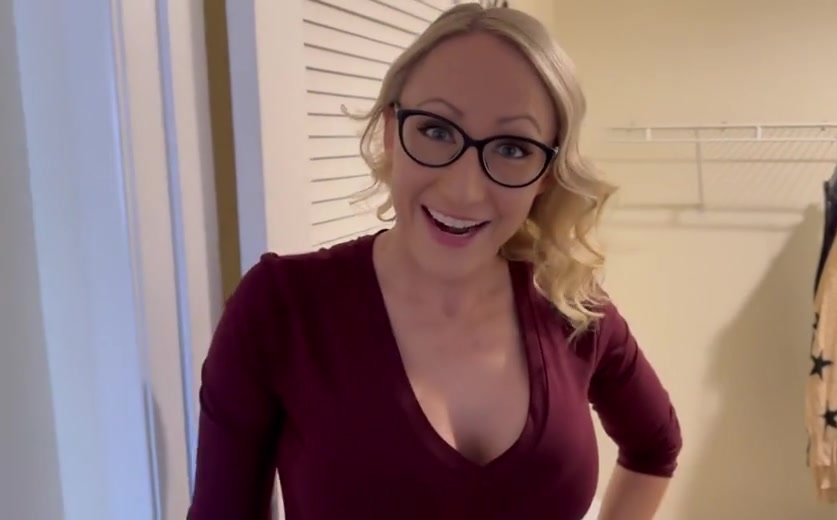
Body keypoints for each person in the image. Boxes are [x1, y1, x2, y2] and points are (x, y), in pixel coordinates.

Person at [187, 4, 681, 520]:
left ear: (546, 174)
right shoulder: (280, 308)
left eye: (513, 148)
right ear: (390, 133)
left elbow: (655, 445)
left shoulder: (574, 308)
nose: (464, 190)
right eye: (437, 130)